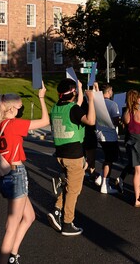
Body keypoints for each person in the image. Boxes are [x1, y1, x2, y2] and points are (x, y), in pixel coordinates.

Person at [0, 86, 50, 264]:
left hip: (2, 177)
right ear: (12, 108)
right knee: (12, 225)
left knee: (29, 216)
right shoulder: (14, 124)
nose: (21, 111)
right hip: (16, 174)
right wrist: (42, 98)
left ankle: (12, 253)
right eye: (20, 108)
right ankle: (4, 260)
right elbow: (45, 120)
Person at [46, 78, 95, 237]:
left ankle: (57, 210)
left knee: (70, 186)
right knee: (74, 190)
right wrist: (92, 99)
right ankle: (67, 223)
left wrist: (80, 89)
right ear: (72, 94)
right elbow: (91, 120)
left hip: (61, 154)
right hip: (74, 156)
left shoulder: (56, 108)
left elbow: (76, 105)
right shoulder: (74, 109)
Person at [95, 83, 120, 194]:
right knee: (110, 160)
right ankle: (105, 184)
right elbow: (115, 121)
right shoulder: (112, 104)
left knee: (107, 157)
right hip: (109, 135)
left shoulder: (97, 102)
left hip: (99, 133)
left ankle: (101, 177)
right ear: (109, 92)